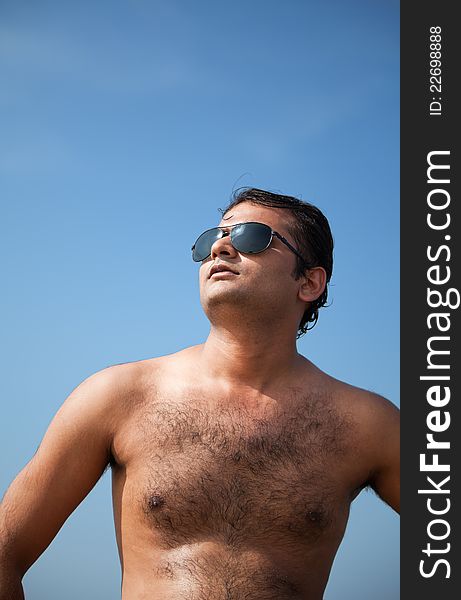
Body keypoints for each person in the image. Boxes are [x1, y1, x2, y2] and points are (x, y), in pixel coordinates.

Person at [0, 188, 399, 599]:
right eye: (212, 238)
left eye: (251, 237)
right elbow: (4, 552)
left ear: (310, 282)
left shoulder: (367, 424)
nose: (221, 247)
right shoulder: (118, 396)